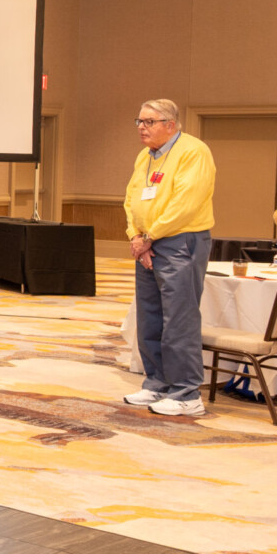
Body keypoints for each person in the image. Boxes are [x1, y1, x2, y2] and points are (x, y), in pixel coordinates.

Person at [122, 98, 215, 417]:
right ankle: (157, 383)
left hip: (180, 241)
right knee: (150, 315)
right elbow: (131, 198)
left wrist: (150, 237)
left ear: (170, 125)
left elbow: (186, 203)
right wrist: (136, 235)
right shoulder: (144, 157)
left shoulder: (193, 152)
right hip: (149, 243)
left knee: (178, 316)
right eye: (139, 121)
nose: (141, 128)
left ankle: (187, 391)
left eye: (149, 122)